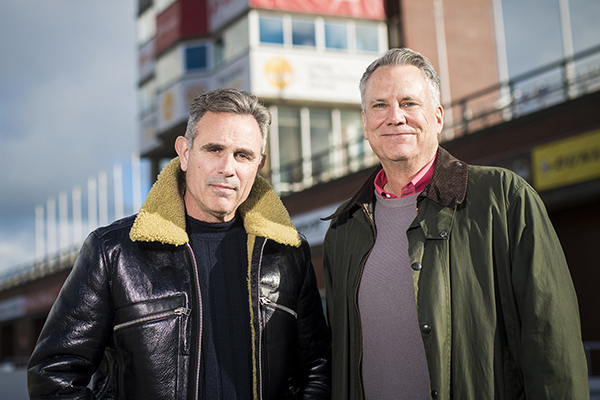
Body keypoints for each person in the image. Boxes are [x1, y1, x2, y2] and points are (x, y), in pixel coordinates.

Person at [28, 88, 331, 399]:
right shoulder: (114, 252)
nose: (227, 168)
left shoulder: (287, 253)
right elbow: (53, 374)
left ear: (259, 164)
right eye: (214, 149)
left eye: (243, 155)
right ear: (185, 153)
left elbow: (316, 369)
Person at [322, 48, 589, 399]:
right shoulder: (344, 227)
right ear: (365, 124)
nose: (395, 117)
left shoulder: (504, 199)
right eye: (379, 105)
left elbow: (552, 344)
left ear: (437, 117)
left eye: (409, 103)